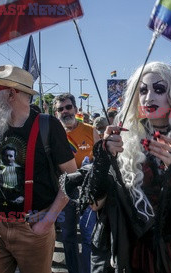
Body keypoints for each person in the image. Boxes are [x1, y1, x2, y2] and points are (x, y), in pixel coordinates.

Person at [76, 61, 171, 272]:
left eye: (159, 89)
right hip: (133, 253)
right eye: (142, 90)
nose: (149, 97)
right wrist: (105, 157)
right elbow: (95, 204)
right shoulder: (125, 138)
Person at [0, 65, 78, 273]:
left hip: (33, 227)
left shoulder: (48, 125)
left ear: (11, 93)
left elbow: (72, 177)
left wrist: (48, 221)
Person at [54, 93, 99, 273]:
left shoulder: (90, 130)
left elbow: (103, 161)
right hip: (64, 194)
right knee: (68, 237)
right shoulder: (53, 134)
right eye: (60, 109)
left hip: (88, 193)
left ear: (76, 109)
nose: (65, 112)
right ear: (56, 113)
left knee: (88, 237)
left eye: (68, 107)